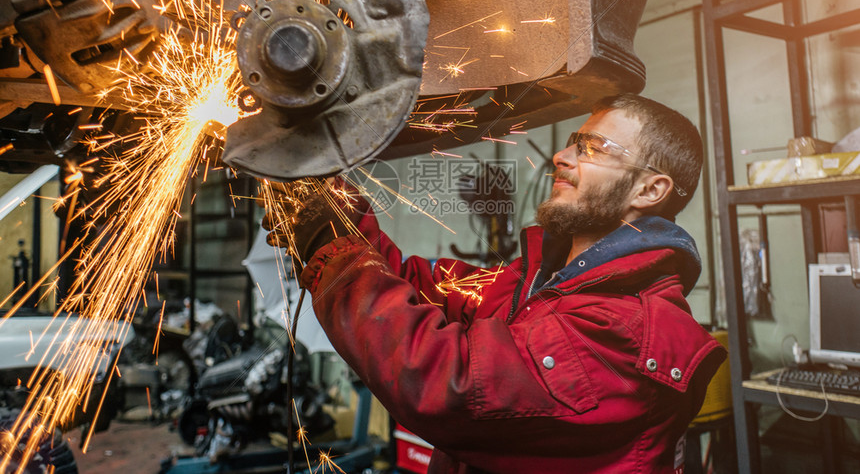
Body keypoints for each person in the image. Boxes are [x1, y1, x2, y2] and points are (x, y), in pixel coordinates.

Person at [264, 93, 726, 474]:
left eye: (593, 147)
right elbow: (415, 286)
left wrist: (334, 248)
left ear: (650, 190)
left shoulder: (626, 327)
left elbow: (452, 383)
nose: (561, 158)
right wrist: (333, 207)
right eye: (570, 143)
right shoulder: (535, 286)